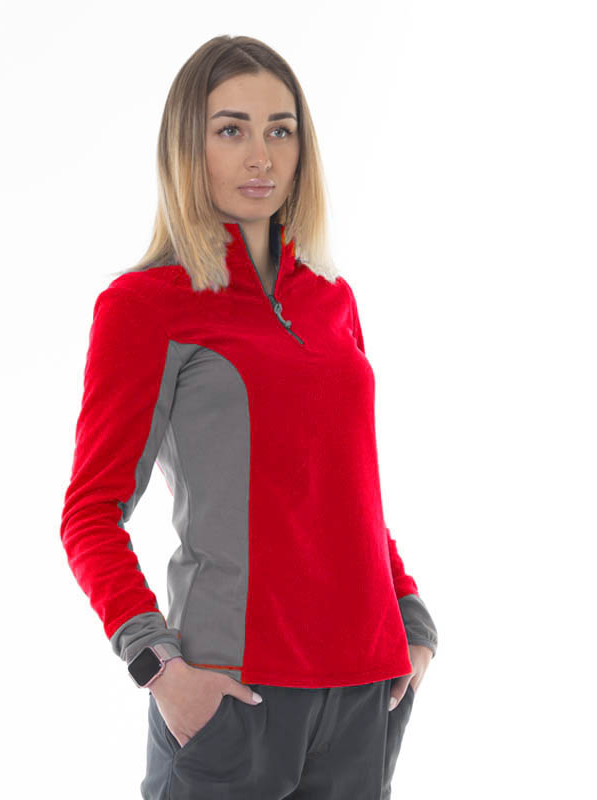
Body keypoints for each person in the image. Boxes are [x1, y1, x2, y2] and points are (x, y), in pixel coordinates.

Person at [59, 34, 438, 800]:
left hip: (367, 690)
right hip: (233, 697)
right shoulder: (145, 307)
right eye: (231, 129)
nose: (260, 156)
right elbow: (90, 512)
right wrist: (157, 665)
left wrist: (410, 612)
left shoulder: (332, 300)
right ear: (187, 146)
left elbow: (347, 488)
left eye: (280, 129)